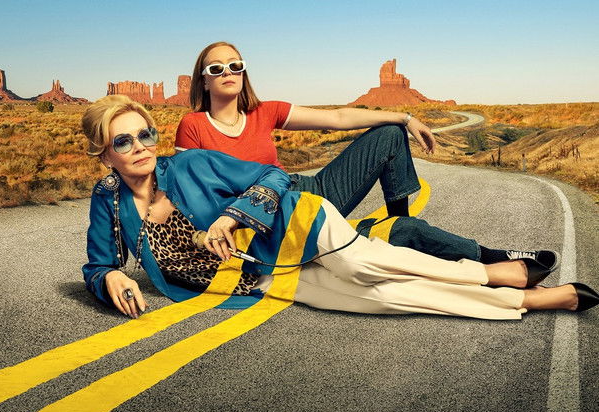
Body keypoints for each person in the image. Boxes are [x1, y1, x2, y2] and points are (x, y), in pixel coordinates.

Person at [81, 95, 597, 320]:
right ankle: (527, 301)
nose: (140, 146)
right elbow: (99, 264)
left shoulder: (190, 164)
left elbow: (273, 176)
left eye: (145, 133)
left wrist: (231, 215)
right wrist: (112, 279)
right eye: (123, 141)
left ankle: (494, 273)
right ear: (104, 154)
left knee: (363, 266)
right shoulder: (108, 200)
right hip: (257, 276)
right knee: (378, 299)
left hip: (295, 223)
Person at [174, 41, 555, 269]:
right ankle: (490, 255)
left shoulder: (265, 111)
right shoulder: (193, 126)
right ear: (203, 79)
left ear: (244, 72)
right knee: (408, 232)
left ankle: (397, 221)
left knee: (389, 133)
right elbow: (185, 194)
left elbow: (338, 119)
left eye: (236, 65)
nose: (229, 71)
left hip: (307, 190)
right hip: (268, 215)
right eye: (217, 67)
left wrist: (406, 117)